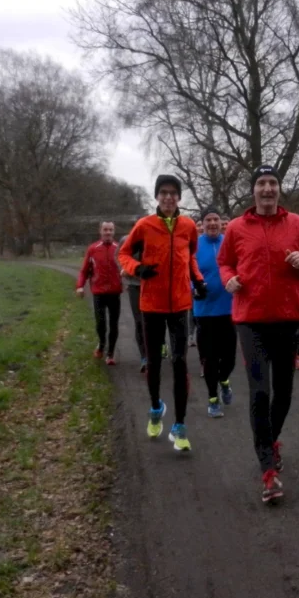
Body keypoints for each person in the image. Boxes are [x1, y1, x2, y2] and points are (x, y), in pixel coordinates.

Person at [218, 166, 299, 504]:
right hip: (250, 320)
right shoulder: (235, 227)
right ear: (253, 191)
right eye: (261, 183)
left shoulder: (298, 225)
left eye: (272, 183)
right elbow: (224, 262)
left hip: (289, 318)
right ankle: (267, 469)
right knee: (260, 392)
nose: (267, 189)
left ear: (279, 189)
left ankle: (270, 440)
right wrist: (228, 278)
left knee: (285, 393)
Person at [118, 175, 207, 452]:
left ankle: (180, 426)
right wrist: (137, 269)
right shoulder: (144, 226)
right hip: (152, 305)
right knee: (155, 363)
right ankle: (156, 406)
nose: (169, 197)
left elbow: (190, 256)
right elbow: (124, 254)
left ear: (179, 197)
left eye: (173, 193)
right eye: (164, 193)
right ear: (157, 196)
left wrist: (199, 280)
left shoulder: (189, 226)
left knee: (180, 362)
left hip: (180, 304)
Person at [193, 207, 235, 418]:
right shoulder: (194, 246)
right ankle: (212, 399)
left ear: (220, 223)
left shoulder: (230, 242)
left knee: (229, 359)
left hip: (230, 310)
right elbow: (185, 273)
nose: (212, 223)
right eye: (208, 220)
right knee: (209, 358)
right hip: (204, 311)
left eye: (215, 220)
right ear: (202, 224)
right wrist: (194, 289)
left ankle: (225, 381)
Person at [77, 221, 122, 365]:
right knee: (100, 323)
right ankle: (102, 344)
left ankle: (110, 354)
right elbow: (84, 270)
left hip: (115, 293)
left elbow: (127, 268)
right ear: (100, 231)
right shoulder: (93, 249)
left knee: (114, 324)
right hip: (99, 293)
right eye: (105, 230)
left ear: (114, 232)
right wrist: (80, 286)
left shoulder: (119, 248)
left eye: (110, 230)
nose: (108, 232)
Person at [117, 224, 149, 373]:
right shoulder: (126, 240)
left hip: (152, 285)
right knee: (139, 321)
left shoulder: (153, 239)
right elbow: (120, 257)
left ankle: (156, 349)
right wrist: (125, 269)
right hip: (134, 285)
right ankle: (144, 357)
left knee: (153, 320)